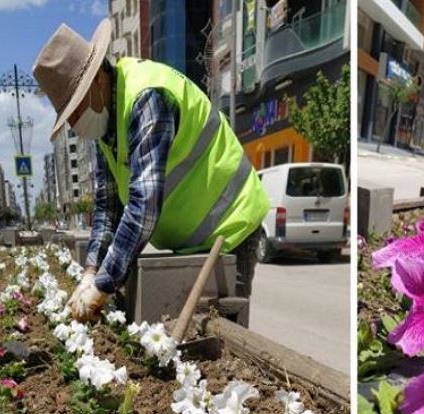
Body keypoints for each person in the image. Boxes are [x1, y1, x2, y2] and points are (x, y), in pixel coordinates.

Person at [33, 19, 270, 321]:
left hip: (231, 224)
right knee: (188, 330)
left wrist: (103, 286)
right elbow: (108, 210)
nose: (74, 123)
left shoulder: (147, 98)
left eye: (75, 109)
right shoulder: (106, 123)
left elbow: (143, 204)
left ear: (96, 82)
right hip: (192, 242)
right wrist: (90, 272)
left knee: (220, 333)